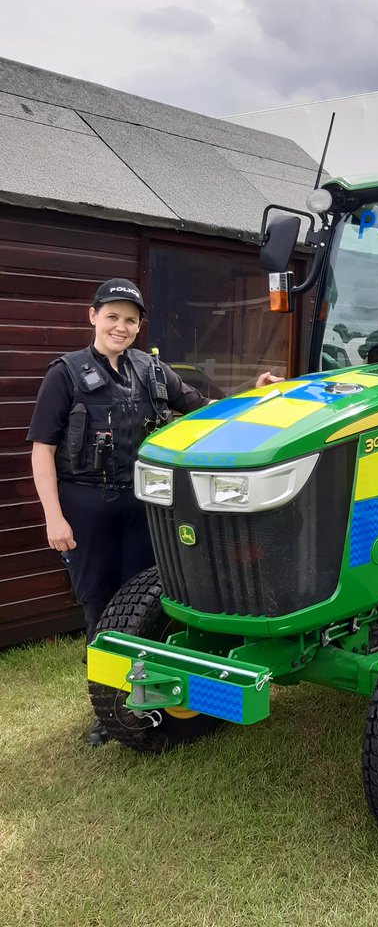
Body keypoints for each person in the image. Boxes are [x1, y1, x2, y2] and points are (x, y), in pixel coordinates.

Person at [28, 278, 281, 745]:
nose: (120, 327)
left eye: (130, 319)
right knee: (100, 605)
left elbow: (202, 409)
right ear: (93, 317)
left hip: (143, 504)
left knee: (144, 601)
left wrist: (254, 393)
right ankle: (109, 710)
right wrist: (53, 517)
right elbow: (42, 448)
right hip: (85, 507)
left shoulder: (151, 370)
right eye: (112, 317)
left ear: (139, 326)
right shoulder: (64, 374)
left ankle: (151, 695)